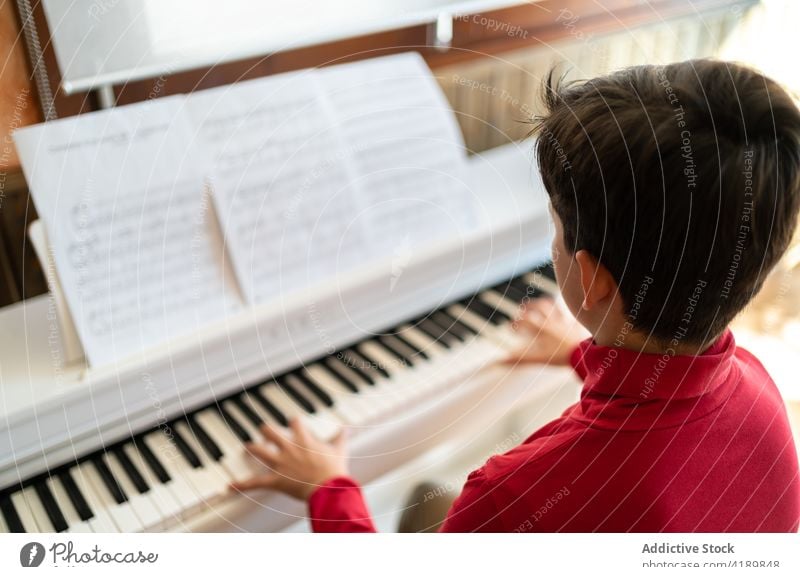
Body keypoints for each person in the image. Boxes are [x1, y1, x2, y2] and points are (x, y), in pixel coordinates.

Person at [230, 59, 800, 532]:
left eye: (553, 226)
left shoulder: (511, 497)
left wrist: (330, 486)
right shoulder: (761, 394)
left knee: (424, 504)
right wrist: (583, 351)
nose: (552, 242)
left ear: (595, 280)